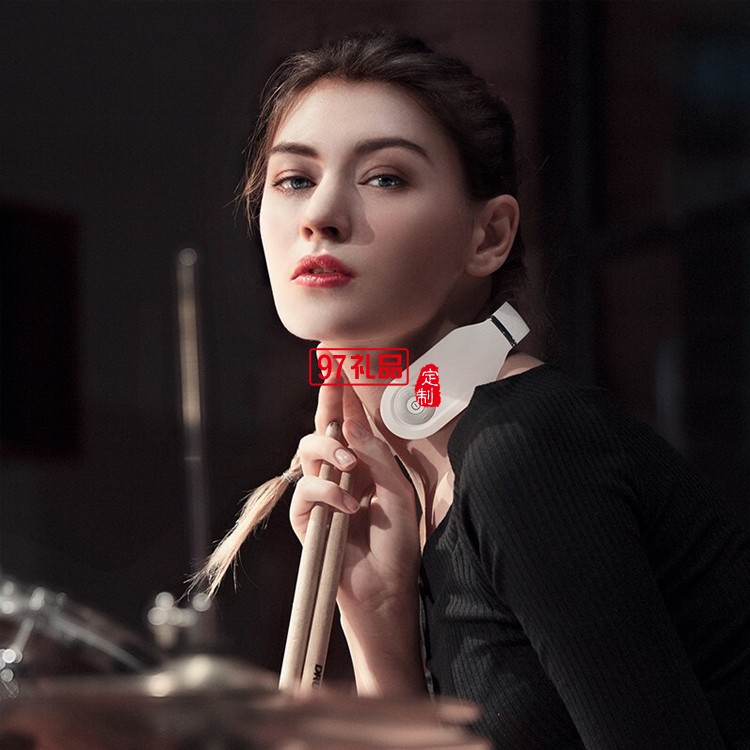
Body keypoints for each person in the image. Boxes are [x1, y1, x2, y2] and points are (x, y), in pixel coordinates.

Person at [199, 31, 750, 749]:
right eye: (294, 179)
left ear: (488, 237)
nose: (321, 215)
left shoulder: (526, 450)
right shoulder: (424, 480)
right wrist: (380, 621)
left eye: (385, 178)